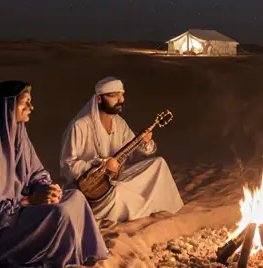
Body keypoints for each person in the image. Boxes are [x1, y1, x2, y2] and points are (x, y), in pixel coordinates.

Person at [0, 80, 108, 268]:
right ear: (8, 106)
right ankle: (57, 261)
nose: (31, 107)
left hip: (13, 211)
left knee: (76, 197)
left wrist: (46, 190)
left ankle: (84, 256)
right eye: (25, 102)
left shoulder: (18, 136)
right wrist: (30, 201)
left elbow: (37, 173)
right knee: (59, 213)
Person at [59, 77, 184, 225]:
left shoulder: (119, 123)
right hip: (91, 189)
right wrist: (102, 165)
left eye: (122, 94)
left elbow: (136, 149)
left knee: (159, 164)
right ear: (99, 99)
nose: (121, 99)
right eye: (114, 95)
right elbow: (68, 165)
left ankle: (165, 209)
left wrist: (145, 142)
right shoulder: (79, 126)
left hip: (115, 178)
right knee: (119, 190)